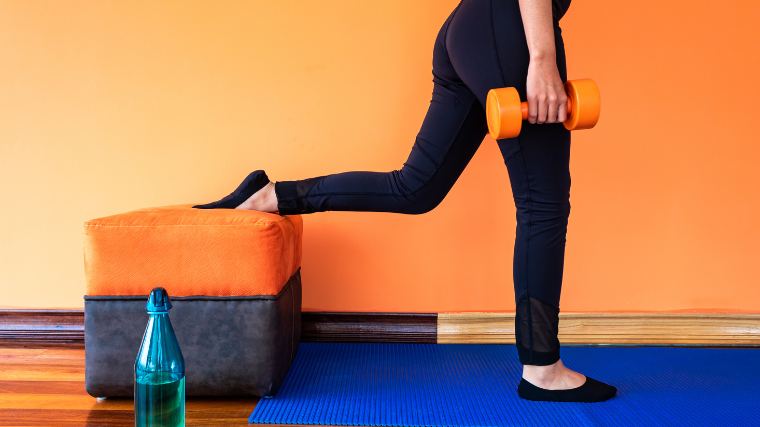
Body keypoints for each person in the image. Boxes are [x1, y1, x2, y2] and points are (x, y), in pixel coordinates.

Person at [194, 0, 616, 403]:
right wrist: (542, 58)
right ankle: (543, 369)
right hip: (511, 27)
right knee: (543, 205)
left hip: (470, 28)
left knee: (415, 188)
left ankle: (269, 196)